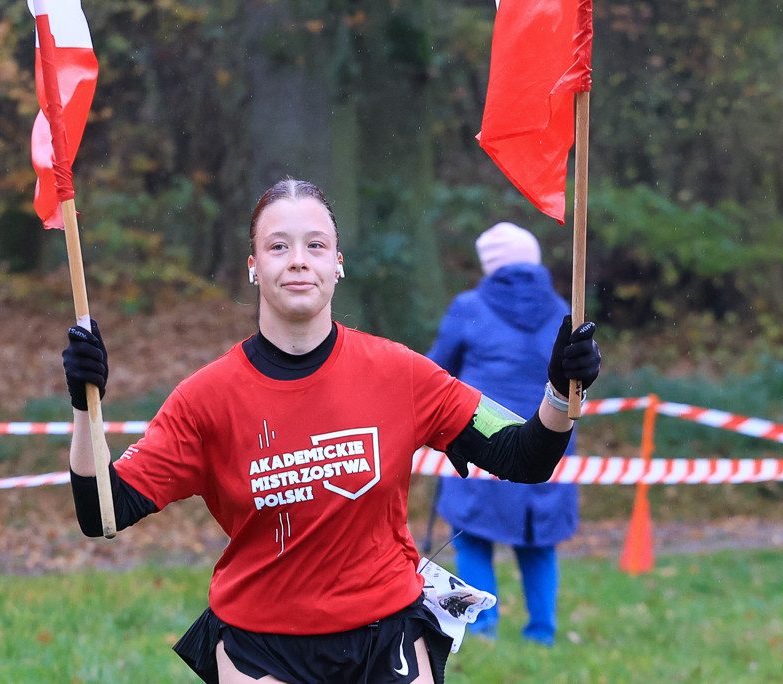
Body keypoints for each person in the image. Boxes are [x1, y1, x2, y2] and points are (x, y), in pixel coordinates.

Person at [63, 179, 601, 683]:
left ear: (337, 264)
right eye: (278, 247)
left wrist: (559, 391)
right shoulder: (206, 398)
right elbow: (102, 511)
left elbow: (526, 456)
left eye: (315, 245)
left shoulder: (402, 373)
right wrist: (84, 406)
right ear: (253, 267)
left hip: (386, 635)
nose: (298, 260)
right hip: (260, 644)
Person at [425, 222, 579, 647]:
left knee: (473, 537)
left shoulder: (468, 306)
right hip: (550, 442)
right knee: (539, 542)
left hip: (483, 440)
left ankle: (483, 633)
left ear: (490, 265)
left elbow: (433, 371)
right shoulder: (567, 311)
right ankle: (542, 635)